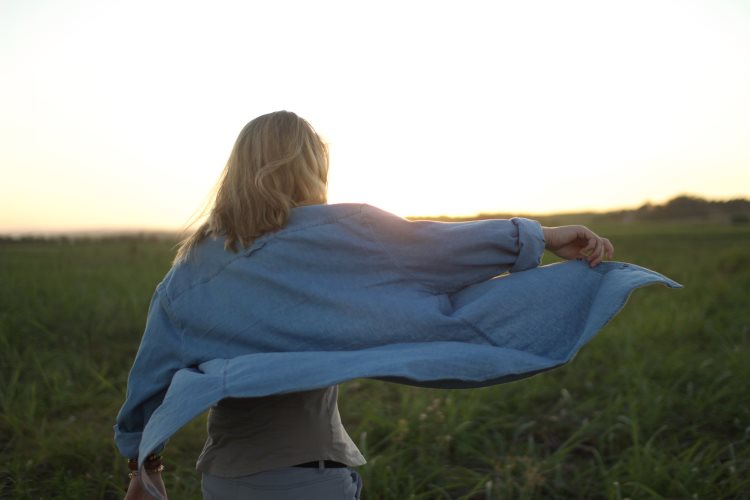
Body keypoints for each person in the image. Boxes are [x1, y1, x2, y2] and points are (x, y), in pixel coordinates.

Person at [115, 111, 677, 500]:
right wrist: (543, 237)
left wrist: (144, 469)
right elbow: (437, 246)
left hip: (225, 480)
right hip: (308, 480)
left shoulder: (186, 276)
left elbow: (148, 386)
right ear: (310, 168)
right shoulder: (341, 233)